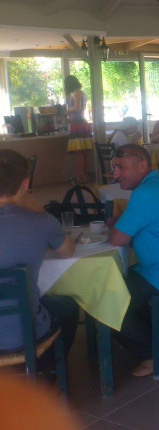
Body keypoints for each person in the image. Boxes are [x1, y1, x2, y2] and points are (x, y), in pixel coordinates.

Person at [107, 144, 159, 377]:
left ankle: (156, 350)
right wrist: (123, 223)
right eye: (113, 168)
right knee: (118, 286)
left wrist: (118, 227)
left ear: (142, 165)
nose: (115, 174)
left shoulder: (145, 193)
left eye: (121, 167)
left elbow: (117, 239)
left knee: (106, 300)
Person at [0, 149, 78, 363]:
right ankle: (47, 368)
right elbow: (67, 251)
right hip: (19, 335)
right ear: (25, 184)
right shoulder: (41, 222)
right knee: (67, 306)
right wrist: (36, 208)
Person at [65, 75, 93, 183]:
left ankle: (80, 176)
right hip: (82, 123)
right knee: (85, 152)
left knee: (79, 152)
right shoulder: (81, 92)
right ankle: (84, 175)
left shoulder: (76, 92)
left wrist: (66, 111)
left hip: (78, 124)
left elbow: (77, 107)